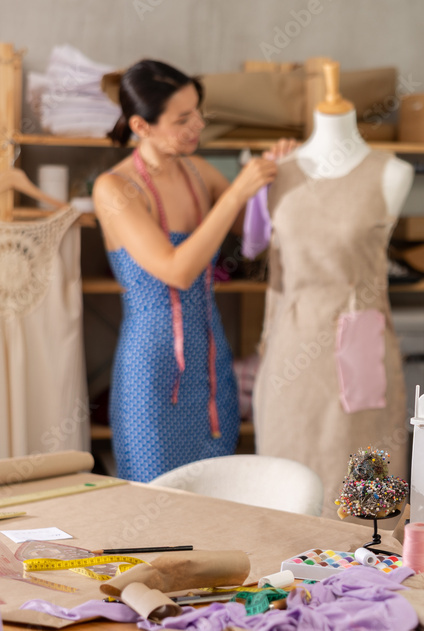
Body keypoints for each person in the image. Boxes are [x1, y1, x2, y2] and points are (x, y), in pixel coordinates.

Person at [92, 59, 296, 482]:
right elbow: (177, 270)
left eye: (197, 112)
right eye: (183, 118)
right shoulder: (114, 188)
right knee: (154, 497)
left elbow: (257, 235)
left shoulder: (199, 173)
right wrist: (238, 188)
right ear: (140, 125)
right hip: (151, 367)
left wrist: (278, 178)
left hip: (210, 360)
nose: (197, 125)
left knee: (214, 492)